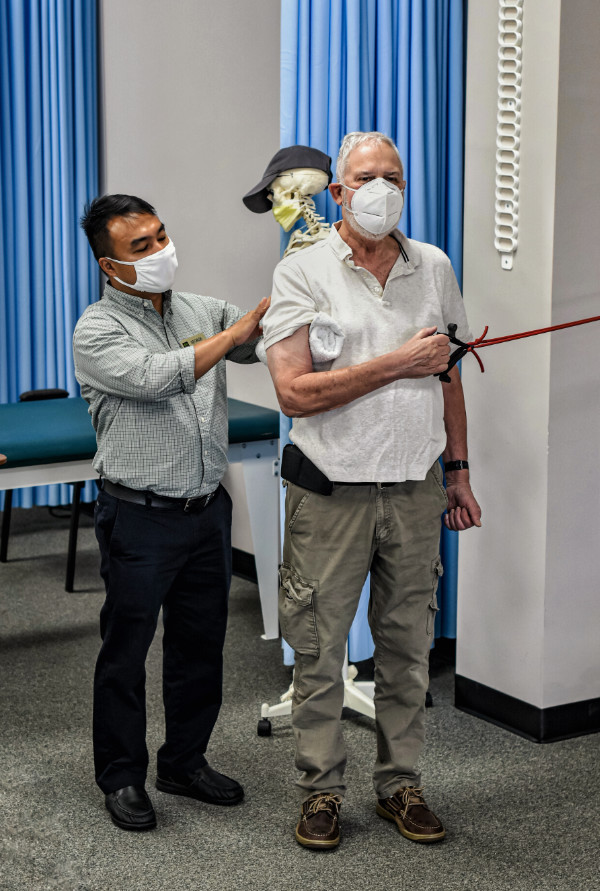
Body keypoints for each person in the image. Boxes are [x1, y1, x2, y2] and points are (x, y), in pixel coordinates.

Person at [262, 132, 482, 850]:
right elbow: (293, 393)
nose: (380, 187)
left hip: (415, 488)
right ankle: (320, 790)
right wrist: (395, 363)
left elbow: (447, 373)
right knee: (321, 649)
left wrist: (459, 471)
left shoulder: (434, 267)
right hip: (330, 492)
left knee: (406, 645)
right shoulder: (302, 271)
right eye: (366, 177)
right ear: (339, 191)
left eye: (393, 175)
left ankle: (400, 784)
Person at [73, 194, 268, 831]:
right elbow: (159, 376)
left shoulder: (201, 309)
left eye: (161, 237)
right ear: (110, 265)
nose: (160, 252)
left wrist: (300, 286)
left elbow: (260, 340)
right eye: (141, 247)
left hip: (206, 511)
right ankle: (122, 777)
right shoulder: (96, 329)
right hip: (139, 517)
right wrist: (232, 337)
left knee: (200, 647)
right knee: (125, 652)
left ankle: (184, 762)